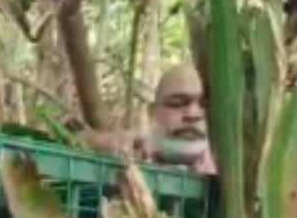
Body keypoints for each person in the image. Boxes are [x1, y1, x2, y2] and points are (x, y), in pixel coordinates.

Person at [81, 64, 216, 175]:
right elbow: (79, 138)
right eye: (177, 103)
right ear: (152, 113)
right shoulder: (137, 155)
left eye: (204, 105)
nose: (193, 114)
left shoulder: (228, 166)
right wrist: (100, 141)